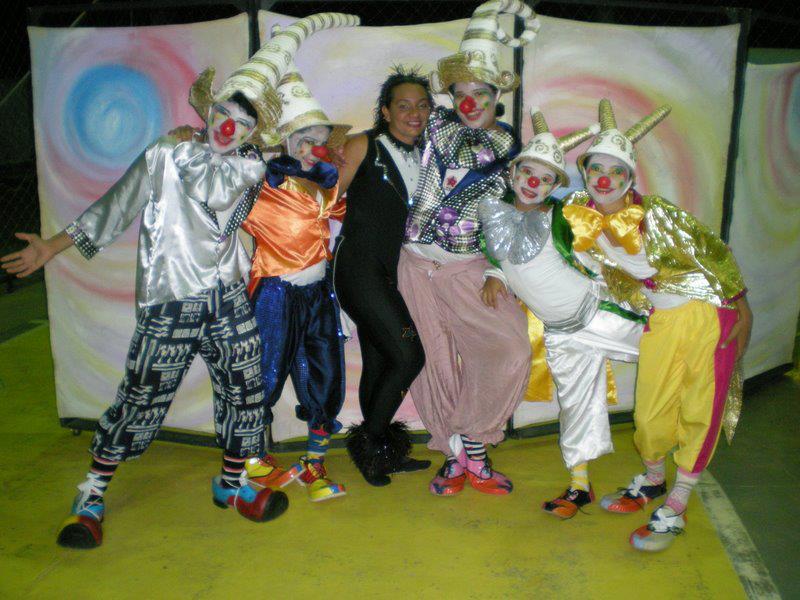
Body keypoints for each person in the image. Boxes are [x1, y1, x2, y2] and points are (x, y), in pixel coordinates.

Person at [2, 57, 284, 549]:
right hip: (171, 298)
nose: (228, 127)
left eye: (242, 123)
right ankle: (91, 493)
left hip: (228, 297)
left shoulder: (249, 167)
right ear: (208, 111)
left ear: (251, 133)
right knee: (142, 396)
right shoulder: (166, 153)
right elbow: (116, 206)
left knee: (245, 390)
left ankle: (232, 482)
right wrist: (52, 247)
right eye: (223, 113)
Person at [563, 99, 752, 551]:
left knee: (699, 406)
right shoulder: (579, 217)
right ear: (585, 172)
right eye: (596, 168)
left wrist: (742, 306)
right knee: (649, 412)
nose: (604, 179)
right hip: (662, 319)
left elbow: (713, 250)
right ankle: (652, 479)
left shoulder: (657, 212)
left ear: (630, 177)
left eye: (616, 171)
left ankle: (679, 500)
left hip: (708, 312)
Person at [399, 0, 540, 497]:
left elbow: (519, 216)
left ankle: (473, 443)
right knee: (432, 361)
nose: (469, 102)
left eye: (480, 93)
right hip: (415, 263)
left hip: (467, 267)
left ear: (497, 95)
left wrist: (498, 272)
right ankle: (458, 458)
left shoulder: (510, 152)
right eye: (460, 93)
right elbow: (391, 128)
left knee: (509, 350)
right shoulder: (434, 126)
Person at [479, 107, 646, 517]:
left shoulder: (563, 215)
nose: (533, 183)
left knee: (667, 350)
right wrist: (493, 274)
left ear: (556, 185)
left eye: (546, 178)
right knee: (575, 407)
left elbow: (601, 240)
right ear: (513, 173)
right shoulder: (494, 213)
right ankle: (579, 486)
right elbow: (503, 256)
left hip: (599, 313)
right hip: (561, 333)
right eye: (527, 173)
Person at [335, 67, 433, 486]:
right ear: (386, 111)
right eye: (404, 105)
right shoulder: (364, 145)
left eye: (422, 106)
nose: (414, 113)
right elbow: (323, 197)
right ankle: (370, 444)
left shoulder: (428, 155)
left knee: (379, 360)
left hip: (391, 271)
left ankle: (383, 452)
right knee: (410, 356)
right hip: (357, 268)